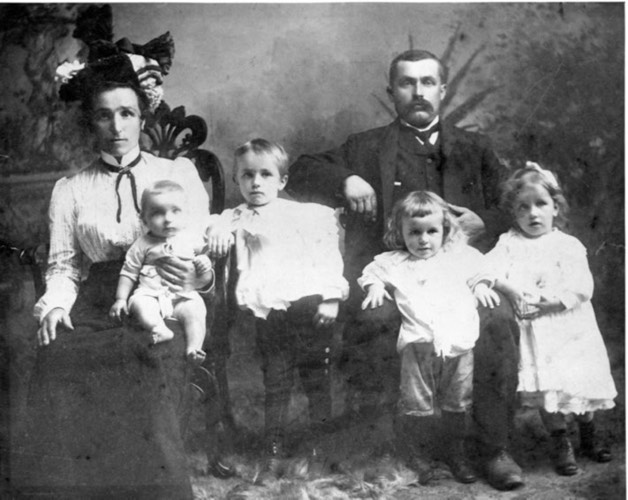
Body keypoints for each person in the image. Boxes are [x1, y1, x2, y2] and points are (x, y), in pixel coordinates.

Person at [286, 49, 523, 490]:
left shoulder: (474, 148)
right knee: (376, 320)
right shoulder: (364, 147)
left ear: (443, 90)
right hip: (391, 278)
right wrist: (345, 179)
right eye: (407, 83)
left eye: (427, 82)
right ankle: (403, 446)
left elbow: (514, 204)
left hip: (458, 278)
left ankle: (492, 448)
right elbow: (301, 171)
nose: (418, 92)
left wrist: (484, 221)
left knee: (496, 318)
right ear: (391, 91)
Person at [15, 32, 211, 498]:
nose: (117, 126)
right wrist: (55, 306)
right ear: (91, 122)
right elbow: (64, 266)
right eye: (105, 115)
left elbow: (200, 248)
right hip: (97, 298)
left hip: (162, 294)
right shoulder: (71, 189)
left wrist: (195, 277)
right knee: (59, 353)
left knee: (143, 353)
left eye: (126, 113)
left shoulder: (176, 174)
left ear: (143, 117)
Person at [207, 138, 349, 459]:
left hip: (308, 304)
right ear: (236, 180)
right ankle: (274, 442)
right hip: (270, 310)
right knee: (276, 376)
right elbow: (213, 225)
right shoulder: (236, 216)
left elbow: (327, 256)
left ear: (282, 181)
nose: (256, 183)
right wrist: (216, 229)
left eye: (265, 174)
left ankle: (320, 441)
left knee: (316, 374)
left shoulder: (304, 215)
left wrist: (330, 297)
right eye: (247, 175)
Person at [483, 163, 616, 475]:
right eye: (523, 207)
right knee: (548, 390)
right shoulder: (508, 244)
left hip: (571, 327)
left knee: (579, 384)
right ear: (513, 212)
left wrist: (557, 302)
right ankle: (560, 440)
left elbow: (583, 287)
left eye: (541, 204)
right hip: (537, 331)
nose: (533, 213)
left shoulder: (567, 245)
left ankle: (588, 434)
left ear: (555, 207)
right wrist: (508, 288)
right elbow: (486, 269)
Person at [358, 191, 497, 485]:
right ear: (400, 232)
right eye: (414, 232)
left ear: (444, 230)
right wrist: (374, 287)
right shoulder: (395, 261)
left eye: (432, 232)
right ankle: (420, 455)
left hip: (458, 342)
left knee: (458, 399)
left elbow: (481, 269)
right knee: (416, 400)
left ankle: (455, 453)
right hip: (418, 344)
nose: (423, 240)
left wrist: (482, 285)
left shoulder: (459, 257)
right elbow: (371, 272)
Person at [109, 180, 212, 364]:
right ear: (144, 219)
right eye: (157, 213)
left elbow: (205, 254)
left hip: (182, 296)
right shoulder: (142, 244)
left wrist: (204, 262)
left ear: (186, 214)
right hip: (151, 295)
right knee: (139, 303)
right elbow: (129, 272)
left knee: (195, 309)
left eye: (175, 211)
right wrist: (121, 299)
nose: (168, 219)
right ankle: (158, 328)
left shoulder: (190, 238)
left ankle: (194, 347)